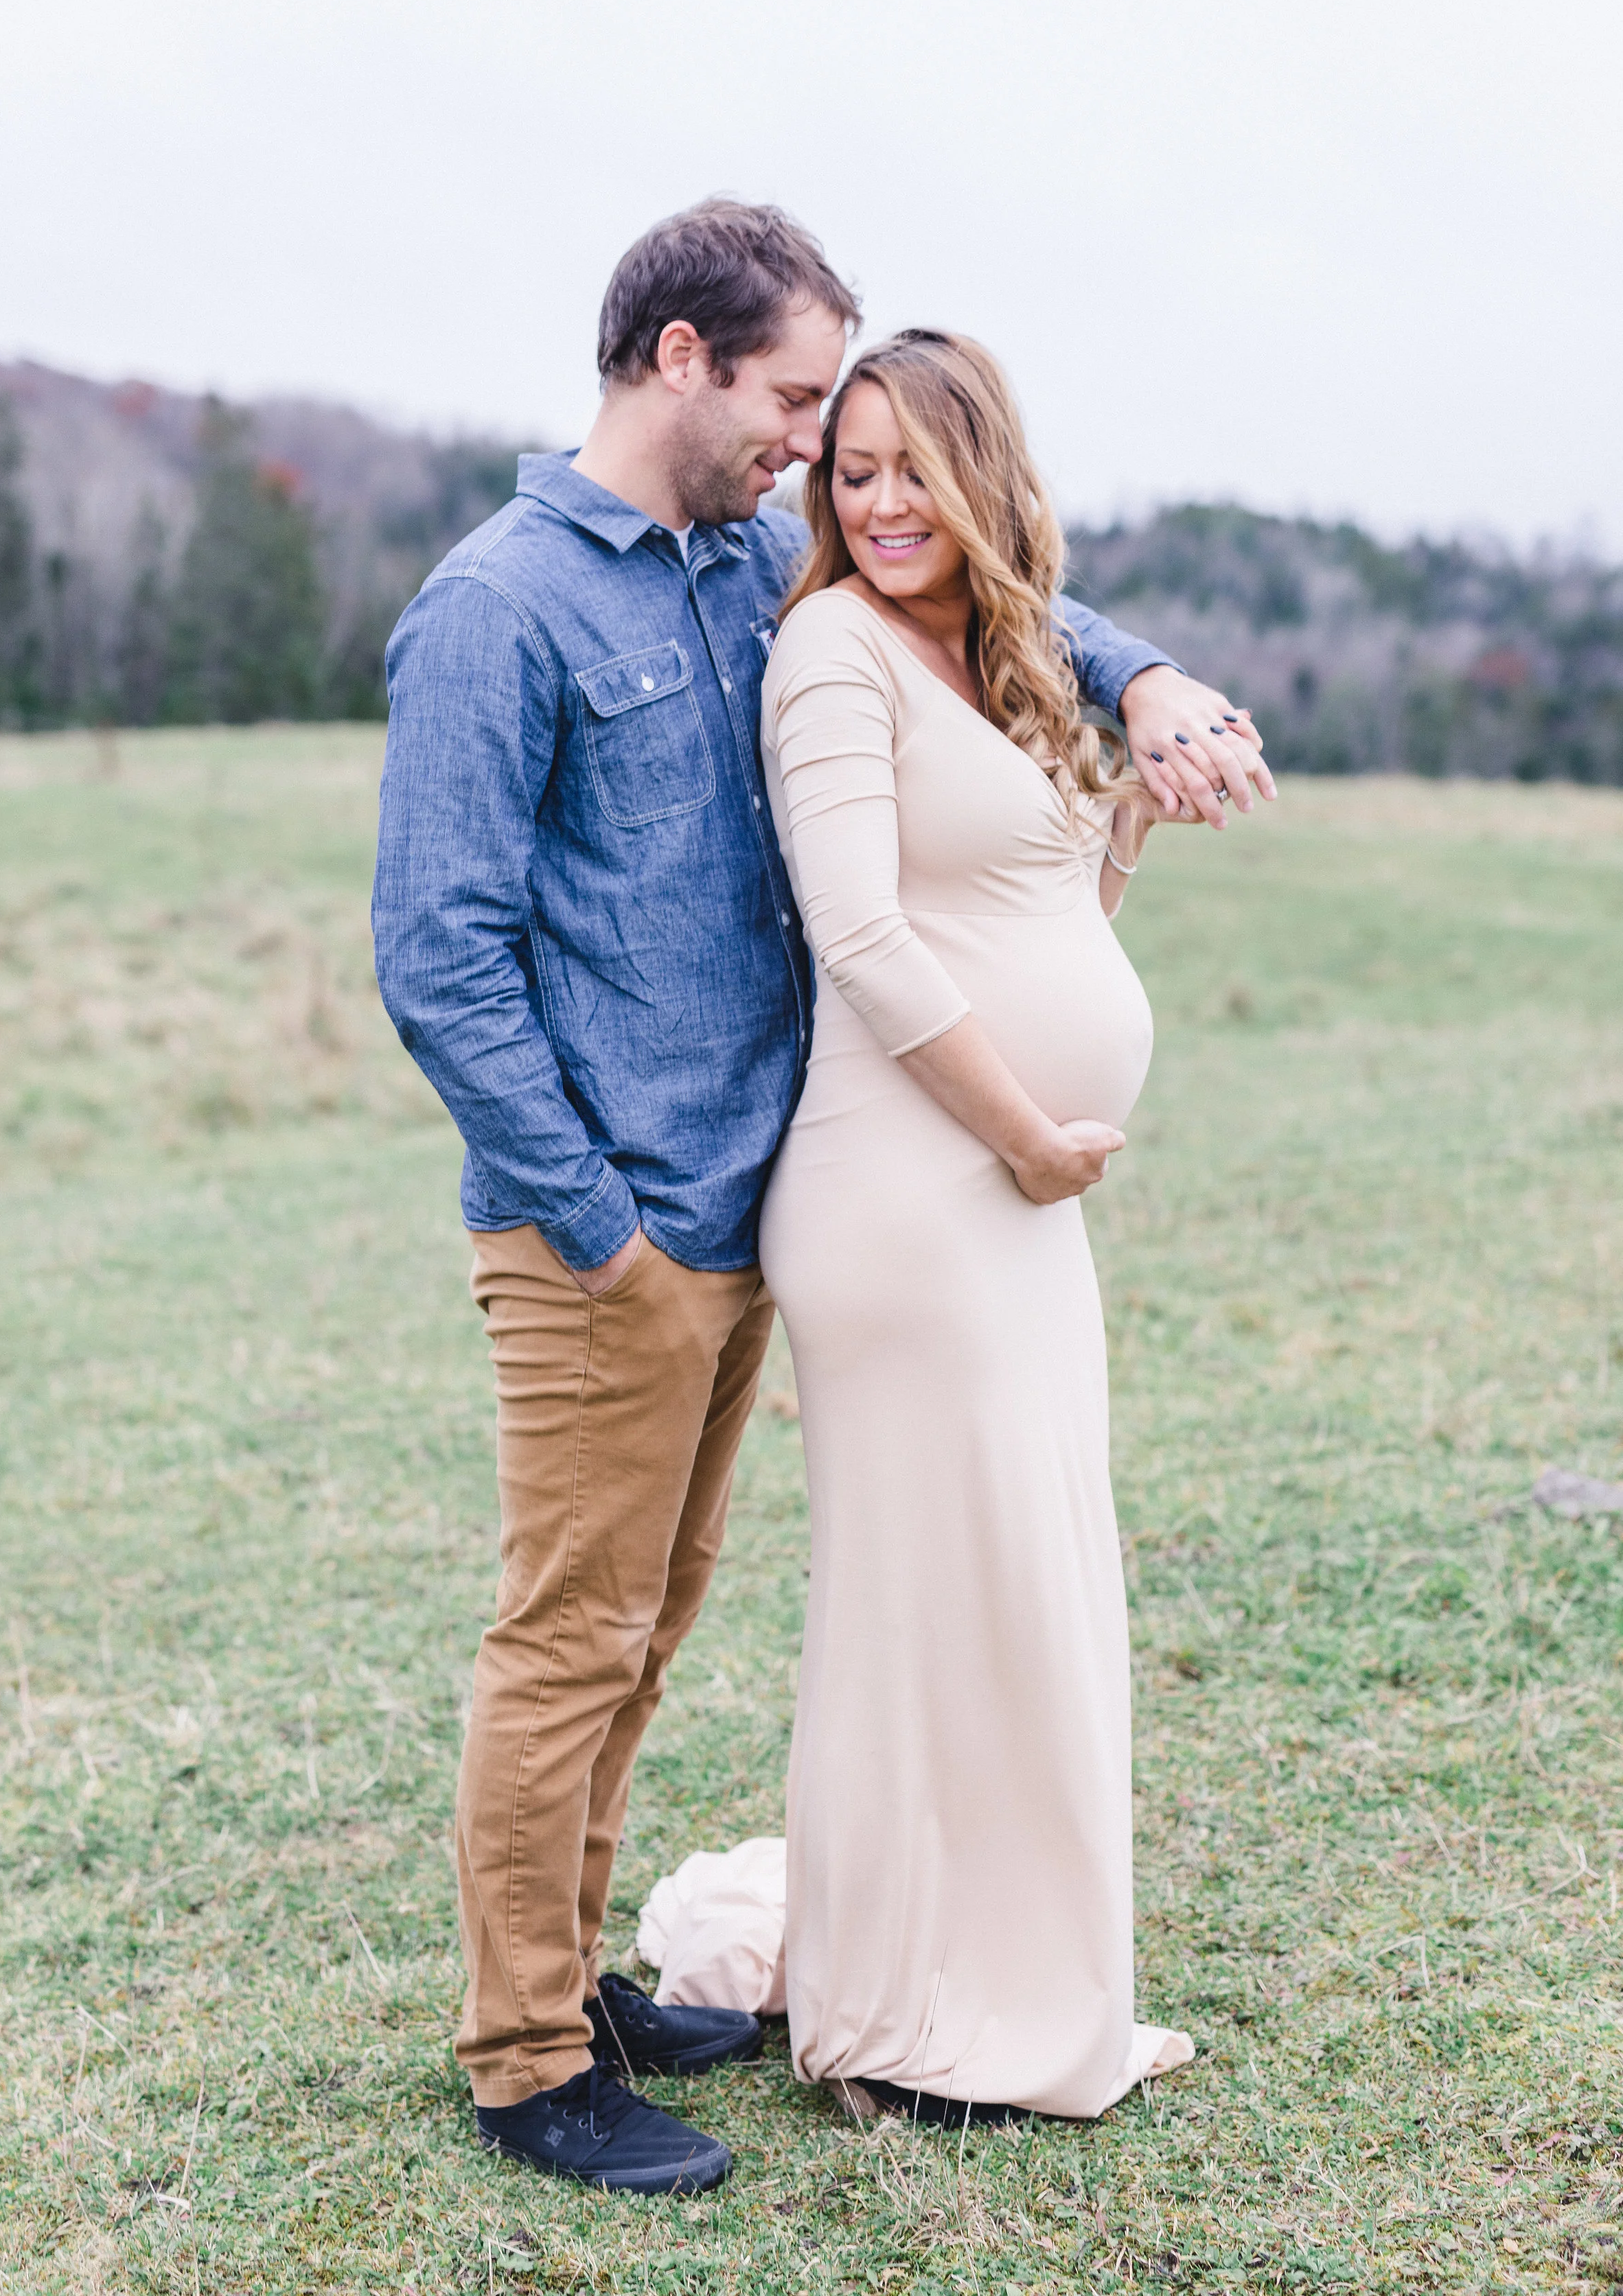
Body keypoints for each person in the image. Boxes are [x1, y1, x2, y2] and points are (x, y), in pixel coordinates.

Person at [371, 202, 1273, 2196]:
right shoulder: (500, 607)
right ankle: (528, 2060)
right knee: (569, 1636)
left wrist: (1148, 678)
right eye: (791, 401)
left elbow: (974, 584)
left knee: (647, 1629)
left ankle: (583, 1982)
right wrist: (598, 1229)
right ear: (679, 359)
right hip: (608, 1228)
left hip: (742, 1203)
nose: (809, 446)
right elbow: (438, 955)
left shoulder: (723, 569)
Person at [755, 329, 1198, 2120]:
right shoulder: (830, 651)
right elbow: (862, 937)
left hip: (1010, 1197)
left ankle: (1017, 1984)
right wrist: (1027, 1138)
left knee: (1027, 1593)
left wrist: (1137, 811)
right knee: (930, 1610)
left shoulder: (995, 654)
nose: (878, 504)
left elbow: (1048, 914)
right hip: (910, 1195)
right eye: (850, 471)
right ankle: (895, 2016)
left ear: (983, 479)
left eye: (911, 472)